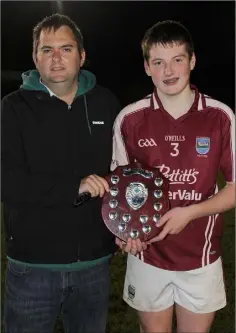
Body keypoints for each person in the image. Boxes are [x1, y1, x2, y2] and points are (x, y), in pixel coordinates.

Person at [112, 20, 235, 333]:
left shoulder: (220, 116)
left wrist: (191, 212)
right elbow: (120, 192)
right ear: (146, 67)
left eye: (177, 60)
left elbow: (234, 188)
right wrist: (124, 230)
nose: (168, 71)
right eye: (158, 62)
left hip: (202, 259)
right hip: (148, 256)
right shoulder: (129, 119)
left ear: (192, 61)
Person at [2, 13, 121, 333]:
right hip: (33, 268)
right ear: (35, 57)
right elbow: (6, 181)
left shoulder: (106, 104)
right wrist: (74, 187)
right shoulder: (12, 108)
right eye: (46, 50)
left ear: (82, 55)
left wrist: (128, 223)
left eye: (66, 49)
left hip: (94, 267)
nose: (56, 58)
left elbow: (123, 171)